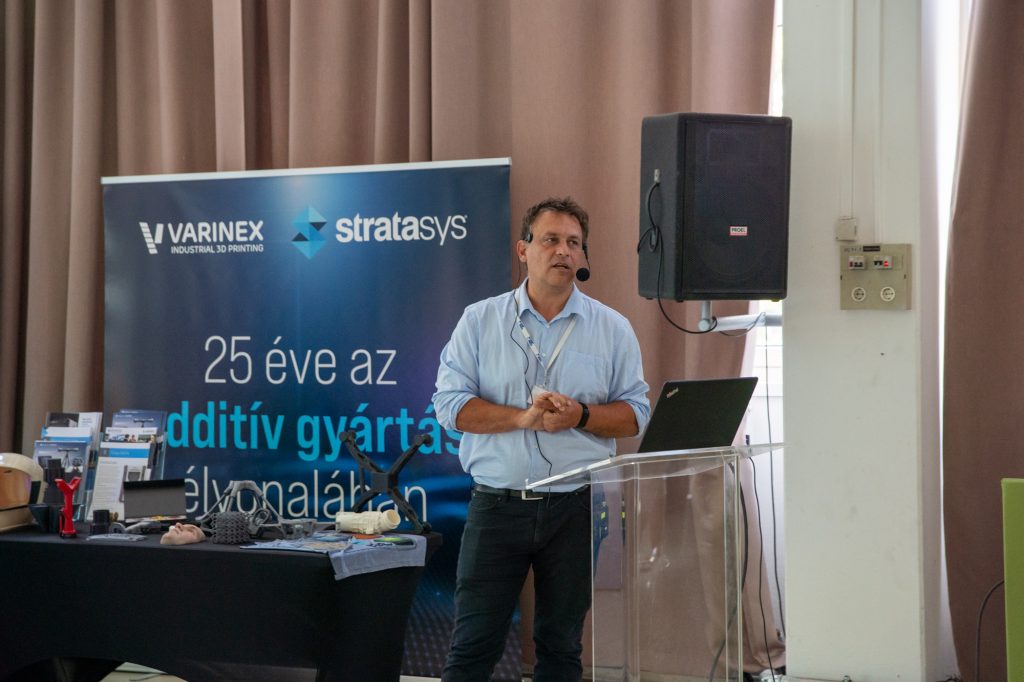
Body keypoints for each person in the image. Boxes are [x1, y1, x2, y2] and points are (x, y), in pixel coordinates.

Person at [433, 196, 650, 681]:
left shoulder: (612, 328)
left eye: (574, 243)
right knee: (472, 647)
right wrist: (522, 419)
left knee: (561, 647)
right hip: (497, 504)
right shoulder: (480, 320)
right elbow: (450, 407)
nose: (563, 251)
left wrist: (581, 415)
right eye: (550, 239)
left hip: (576, 509)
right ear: (523, 250)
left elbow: (635, 414)